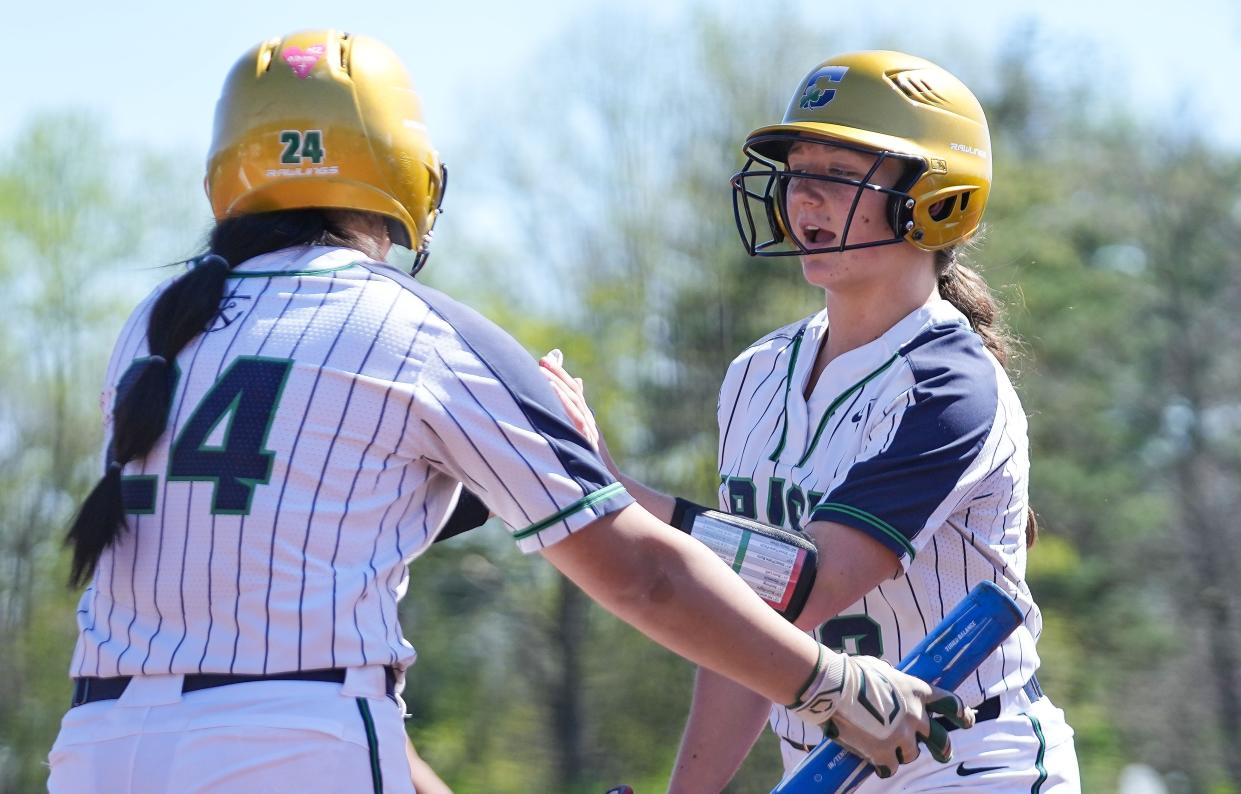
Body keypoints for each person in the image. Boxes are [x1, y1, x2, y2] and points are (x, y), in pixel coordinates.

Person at [46, 33, 970, 793]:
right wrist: (827, 684)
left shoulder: (159, 329)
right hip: (298, 745)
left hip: (94, 748)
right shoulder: (418, 330)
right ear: (405, 169)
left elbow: (302, 590)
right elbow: (642, 576)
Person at [541, 50, 1081, 791]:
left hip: (968, 761)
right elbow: (742, 627)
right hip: (817, 766)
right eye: (797, 170)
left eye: (837, 171)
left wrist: (611, 488)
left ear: (936, 197)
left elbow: (810, 583)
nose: (803, 197)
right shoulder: (756, 373)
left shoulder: (952, 384)